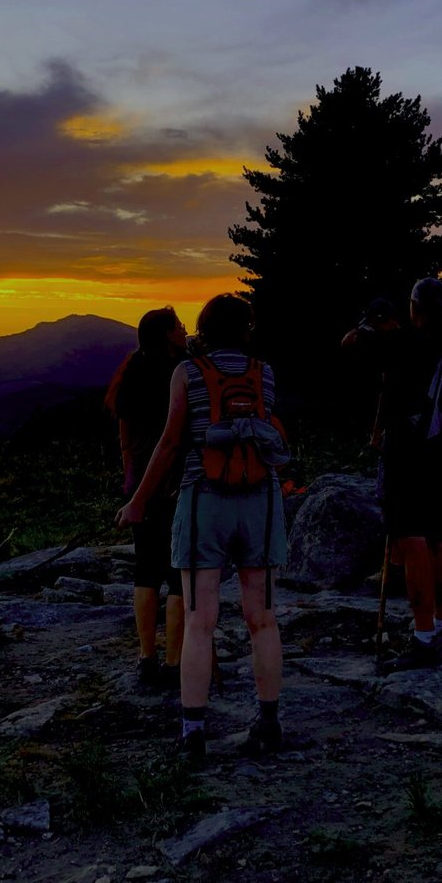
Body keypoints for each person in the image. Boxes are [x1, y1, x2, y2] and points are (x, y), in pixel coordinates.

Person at [117, 292, 288, 758]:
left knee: (199, 619)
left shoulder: (188, 373)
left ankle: (193, 732)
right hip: (261, 498)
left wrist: (138, 501)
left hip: (203, 498)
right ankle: (268, 721)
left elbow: (171, 442)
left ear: (204, 329)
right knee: (263, 617)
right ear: (246, 328)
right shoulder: (263, 372)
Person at [343, 277, 442, 671]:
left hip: (409, 453)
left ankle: (422, 638)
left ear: (414, 308)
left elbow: (349, 344)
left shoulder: (404, 343)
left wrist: (372, 324)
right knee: (441, 538)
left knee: (412, 536)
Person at [104, 308, 188, 689]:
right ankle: (174, 662)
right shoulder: (183, 371)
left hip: (140, 480)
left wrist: (131, 478)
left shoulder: (131, 371)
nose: (185, 331)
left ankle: (146, 657)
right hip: (177, 481)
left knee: (146, 569)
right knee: (177, 575)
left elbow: (124, 426)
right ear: (167, 336)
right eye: (179, 327)